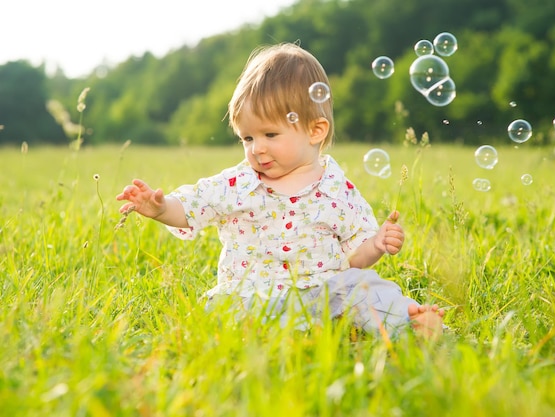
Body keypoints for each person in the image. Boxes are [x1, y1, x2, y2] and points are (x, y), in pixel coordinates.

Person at [116, 42, 445, 339]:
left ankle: (409, 324)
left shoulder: (336, 188)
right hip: (256, 295)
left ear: (315, 130)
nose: (257, 148)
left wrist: (375, 244)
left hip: (324, 293)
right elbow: (192, 207)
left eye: (270, 135)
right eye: (247, 138)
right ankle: (275, 335)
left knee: (363, 287)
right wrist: (160, 208)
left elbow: (354, 257)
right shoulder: (239, 183)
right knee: (225, 304)